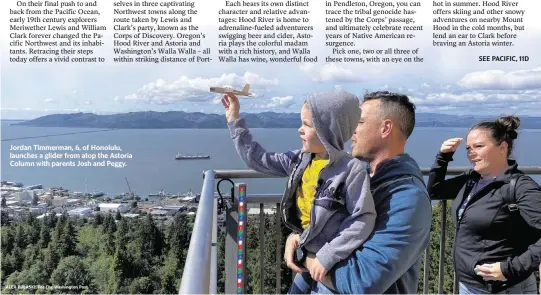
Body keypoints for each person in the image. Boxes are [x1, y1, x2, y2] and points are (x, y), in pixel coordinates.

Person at [221, 89, 377, 293]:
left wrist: (328, 255)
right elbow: (258, 160)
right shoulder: (300, 160)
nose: (299, 130)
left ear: (327, 131)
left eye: (307, 125)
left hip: (332, 264)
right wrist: (234, 120)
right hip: (306, 258)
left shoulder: (351, 170)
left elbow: (363, 218)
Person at [286, 91, 433, 294]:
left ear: (386, 128)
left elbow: (360, 282)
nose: (350, 131)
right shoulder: (359, 176)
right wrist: (297, 236)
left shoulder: (407, 198)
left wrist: (303, 254)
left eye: (360, 122)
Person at [427, 116, 541, 294]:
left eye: (478, 146)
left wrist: (510, 268)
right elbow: (435, 191)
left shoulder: (520, 187)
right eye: (468, 148)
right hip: (469, 284)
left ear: (502, 147)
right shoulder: (472, 180)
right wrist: (443, 157)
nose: (471, 153)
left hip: (504, 288)